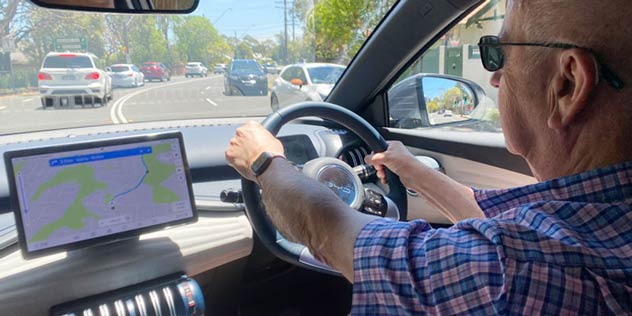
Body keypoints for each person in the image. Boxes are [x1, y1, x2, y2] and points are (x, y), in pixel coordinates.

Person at [225, 0, 632, 314]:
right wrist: (412, 169)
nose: (493, 76)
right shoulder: (596, 223)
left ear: (568, 83)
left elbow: (329, 233)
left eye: (498, 54)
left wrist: (264, 162)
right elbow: (486, 222)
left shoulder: (521, 274)